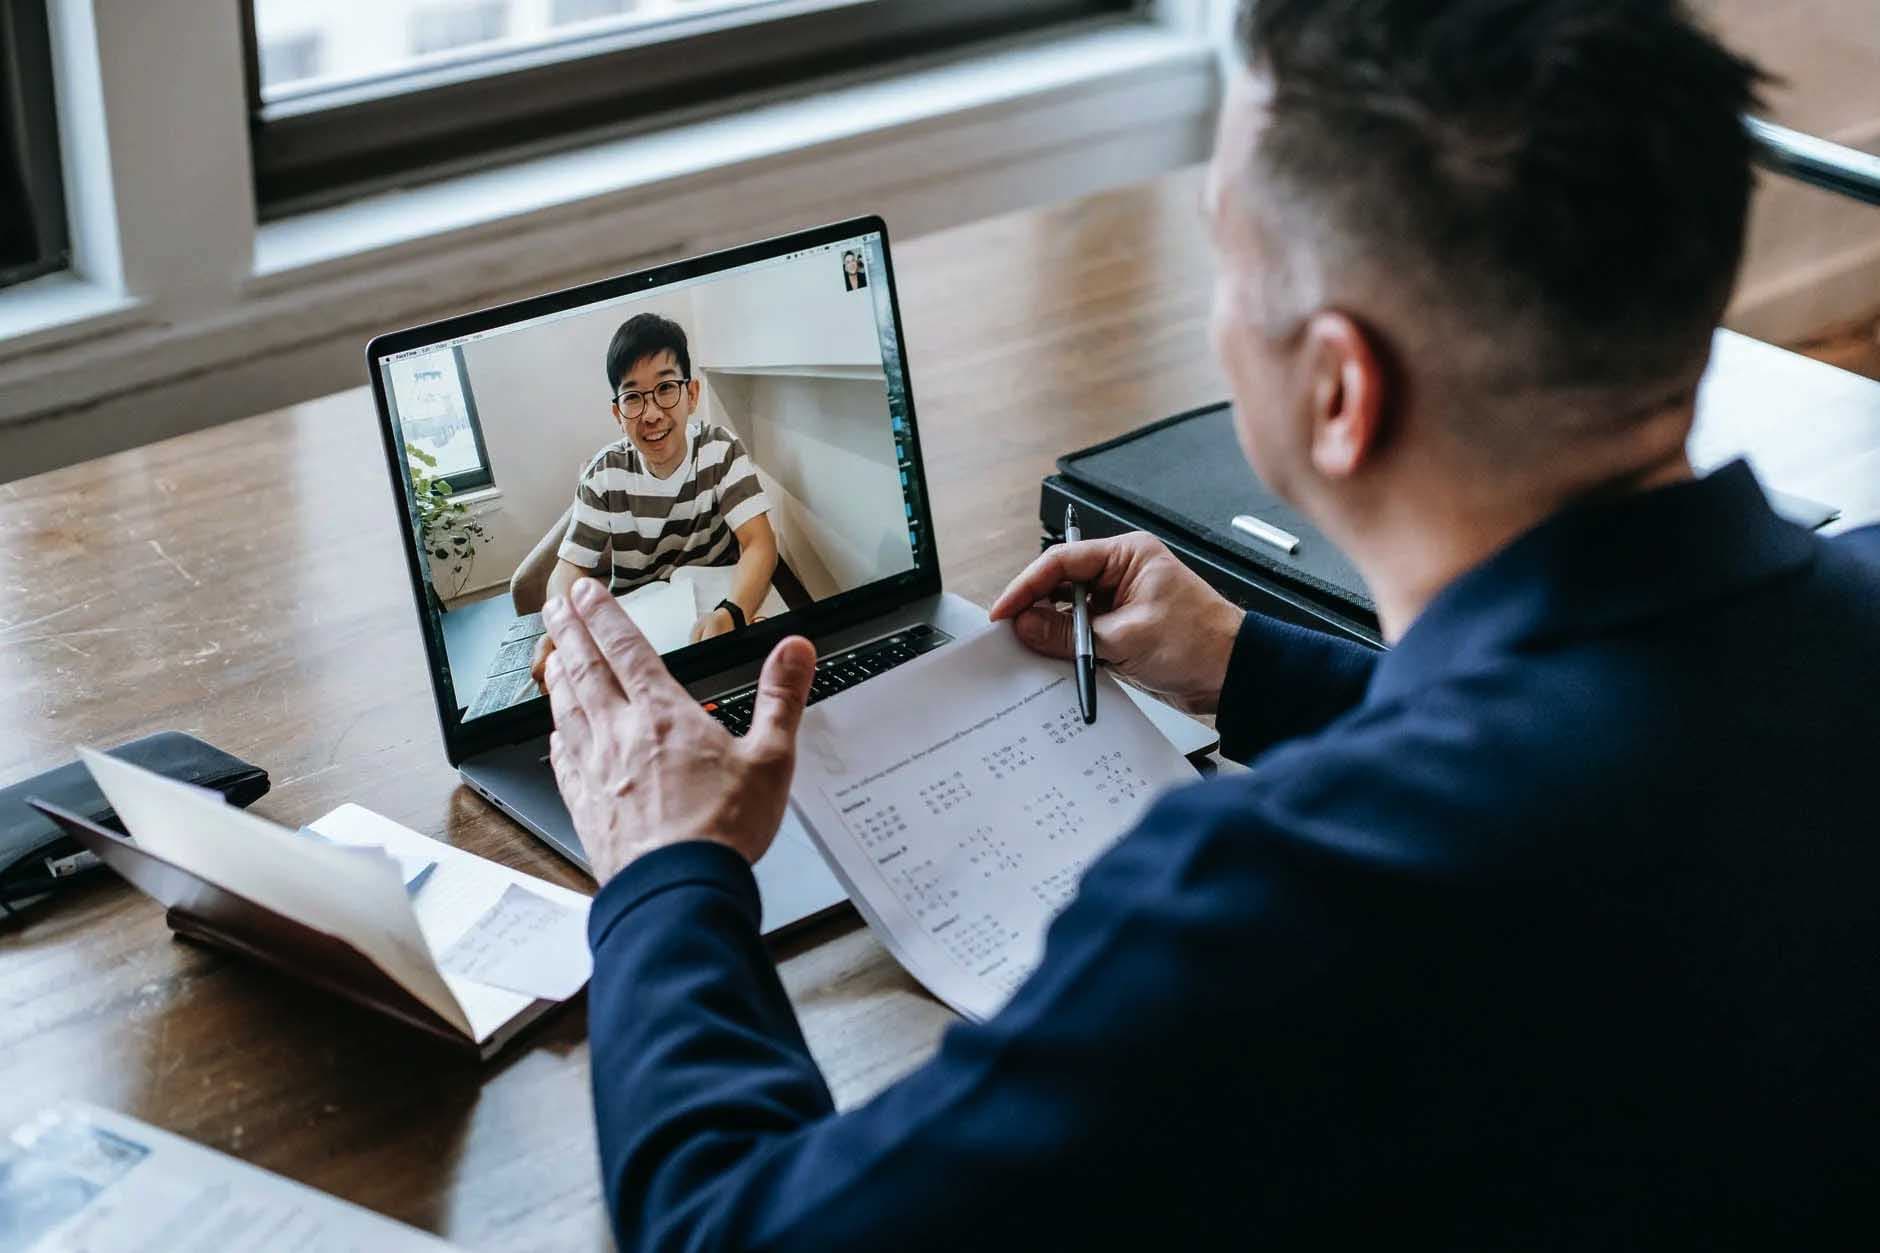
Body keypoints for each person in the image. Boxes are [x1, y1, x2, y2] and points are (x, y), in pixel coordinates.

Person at [539, 1, 1880, 1247]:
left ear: (1339, 390)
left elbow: (730, 1228)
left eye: (1226, 254)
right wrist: (1252, 669)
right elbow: (1617, 737)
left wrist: (666, 868)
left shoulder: (1275, 913)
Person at [531, 313, 778, 687]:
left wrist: (732, 613)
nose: (651, 414)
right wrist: (562, 626)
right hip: (638, 639)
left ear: (691, 394)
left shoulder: (720, 449)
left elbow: (759, 542)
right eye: (633, 397)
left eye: (666, 389)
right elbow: (569, 570)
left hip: (717, 623)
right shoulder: (603, 475)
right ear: (618, 413)